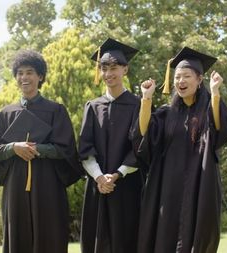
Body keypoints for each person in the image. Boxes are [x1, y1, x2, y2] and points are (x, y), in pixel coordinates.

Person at [132, 47, 227, 253]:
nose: (180, 81)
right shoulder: (166, 114)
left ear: (199, 79)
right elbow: (144, 134)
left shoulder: (208, 111)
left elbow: (219, 131)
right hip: (167, 188)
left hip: (200, 185)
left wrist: (215, 93)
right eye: (177, 77)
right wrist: (146, 99)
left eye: (186, 76)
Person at [0, 50, 83, 253]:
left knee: (50, 234)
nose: (24, 77)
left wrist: (37, 149)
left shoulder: (56, 111)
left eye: (29, 72)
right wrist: (14, 148)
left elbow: (67, 150)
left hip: (48, 185)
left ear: (40, 76)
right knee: (18, 236)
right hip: (16, 187)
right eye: (20, 73)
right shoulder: (5, 114)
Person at [78, 38, 143, 253]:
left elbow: (140, 147)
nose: (108, 74)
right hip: (98, 187)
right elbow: (85, 148)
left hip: (127, 186)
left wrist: (116, 175)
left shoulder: (138, 106)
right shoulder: (92, 107)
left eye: (114, 68)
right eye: (104, 68)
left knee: (127, 239)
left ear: (125, 69)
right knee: (97, 239)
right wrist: (99, 177)